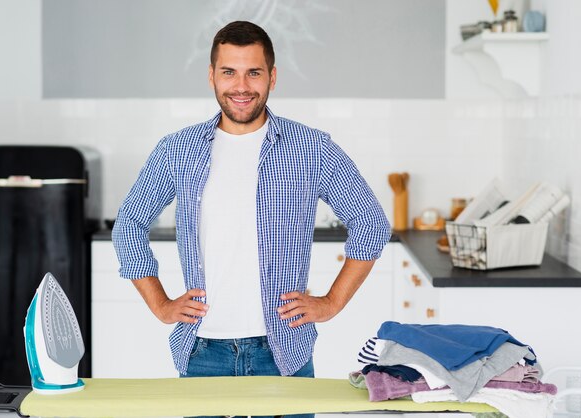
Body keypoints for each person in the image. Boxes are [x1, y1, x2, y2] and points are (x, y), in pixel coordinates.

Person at [112, 20, 390, 415]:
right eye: (229, 72)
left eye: (253, 72)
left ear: (272, 77)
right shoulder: (177, 149)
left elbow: (371, 222)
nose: (241, 86)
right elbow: (129, 224)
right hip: (202, 353)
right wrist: (160, 304)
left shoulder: (311, 148)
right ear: (212, 75)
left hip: (282, 355)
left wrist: (331, 303)